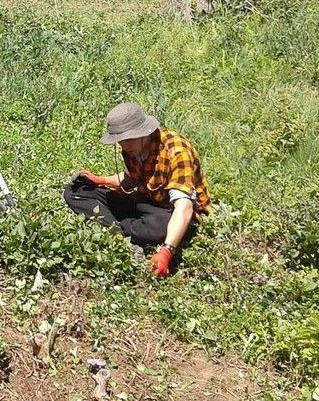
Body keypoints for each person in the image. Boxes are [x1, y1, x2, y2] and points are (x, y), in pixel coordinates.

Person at [64, 102, 210, 278]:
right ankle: (122, 232)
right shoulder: (133, 148)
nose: (123, 146)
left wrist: (167, 251)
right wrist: (100, 180)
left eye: (127, 140)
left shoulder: (177, 151)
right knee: (76, 191)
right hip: (144, 201)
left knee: (158, 226)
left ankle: (116, 229)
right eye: (120, 141)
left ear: (143, 132)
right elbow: (129, 180)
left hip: (169, 212)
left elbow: (184, 206)